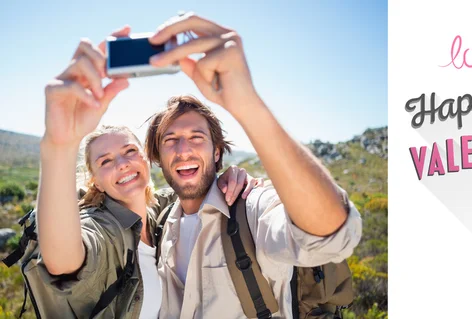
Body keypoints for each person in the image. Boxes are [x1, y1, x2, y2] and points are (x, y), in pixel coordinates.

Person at [143, 13, 363, 318]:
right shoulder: (160, 223)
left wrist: (245, 102)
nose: (183, 150)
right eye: (170, 140)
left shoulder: (250, 208)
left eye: (197, 137)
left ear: (217, 152)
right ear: (157, 156)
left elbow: (330, 238)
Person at [33, 26, 260, 319]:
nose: (123, 164)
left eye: (129, 152)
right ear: (95, 182)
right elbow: (63, 262)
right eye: (105, 161)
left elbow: (194, 190)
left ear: (146, 160)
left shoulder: (162, 214)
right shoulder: (103, 227)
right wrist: (59, 147)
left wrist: (227, 178)